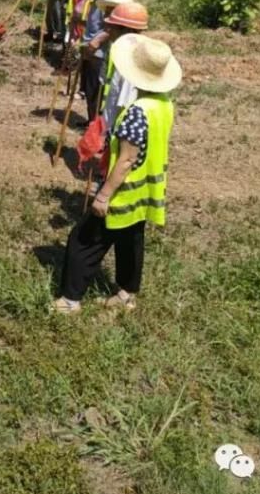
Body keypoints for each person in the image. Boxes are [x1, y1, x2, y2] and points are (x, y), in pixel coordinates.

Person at [55, 35, 182, 313]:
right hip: (147, 192)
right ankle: (126, 294)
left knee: (84, 241)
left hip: (125, 189)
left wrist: (104, 196)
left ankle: (69, 301)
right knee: (130, 240)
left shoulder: (137, 112)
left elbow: (126, 159)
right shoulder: (164, 104)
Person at [68, 0, 114, 112]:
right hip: (88, 50)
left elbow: (110, 29)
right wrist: (79, 21)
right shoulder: (95, 2)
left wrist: (96, 42)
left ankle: (94, 123)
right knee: (88, 88)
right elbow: (94, 26)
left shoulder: (107, 5)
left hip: (97, 53)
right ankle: (90, 121)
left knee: (95, 89)